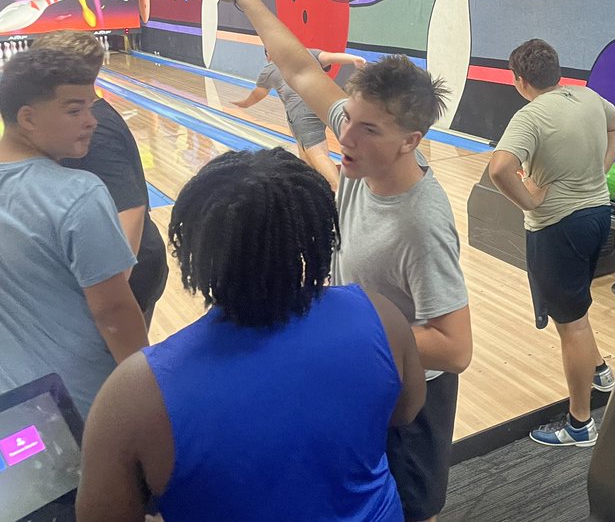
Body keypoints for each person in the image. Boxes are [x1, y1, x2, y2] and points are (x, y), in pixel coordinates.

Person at [204, 0, 471, 522]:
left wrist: (350, 321)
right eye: (347, 117)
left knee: (412, 505)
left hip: (412, 390)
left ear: (411, 140)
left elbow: (456, 347)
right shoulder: (360, 150)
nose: (345, 137)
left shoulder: (420, 225)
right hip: (365, 364)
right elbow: (298, 67)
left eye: (367, 129)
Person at [75, 149, 427, 521]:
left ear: (192, 250)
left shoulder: (135, 392)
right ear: (314, 237)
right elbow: (406, 411)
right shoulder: (380, 315)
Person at [488, 39, 615, 447]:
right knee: (577, 310)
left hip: (557, 228)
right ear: (557, 70)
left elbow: (499, 169)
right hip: (599, 218)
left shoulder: (529, 116)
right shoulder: (587, 97)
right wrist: (604, 166)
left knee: (573, 324)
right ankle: (599, 370)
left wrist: (529, 199)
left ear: (519, 81)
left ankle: (580, 424)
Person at [0, 49, 147, 419]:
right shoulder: (79, 193)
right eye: (74, 110)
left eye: (90, 107)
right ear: (28, 118)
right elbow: (113, 311)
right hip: (85, 402)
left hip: (14, 404)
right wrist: (150, 392)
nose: (92, 121)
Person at [34, 31, 169, 326]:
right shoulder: (83, 119)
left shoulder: (96, 134)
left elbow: (129, 213)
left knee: (119, 367)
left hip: (133, 276)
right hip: (119, 267)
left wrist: (110, 299)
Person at [236, 46, 367, 189]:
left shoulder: (271, 68)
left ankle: (338, 191)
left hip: (301, 110)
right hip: (323, 103)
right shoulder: (307, 55)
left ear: (269, 56)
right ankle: (317, 188)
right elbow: (330, 57)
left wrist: (244, 103)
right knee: (305, 155)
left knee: (318, 154)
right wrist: (355, 59)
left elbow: (257, 95)